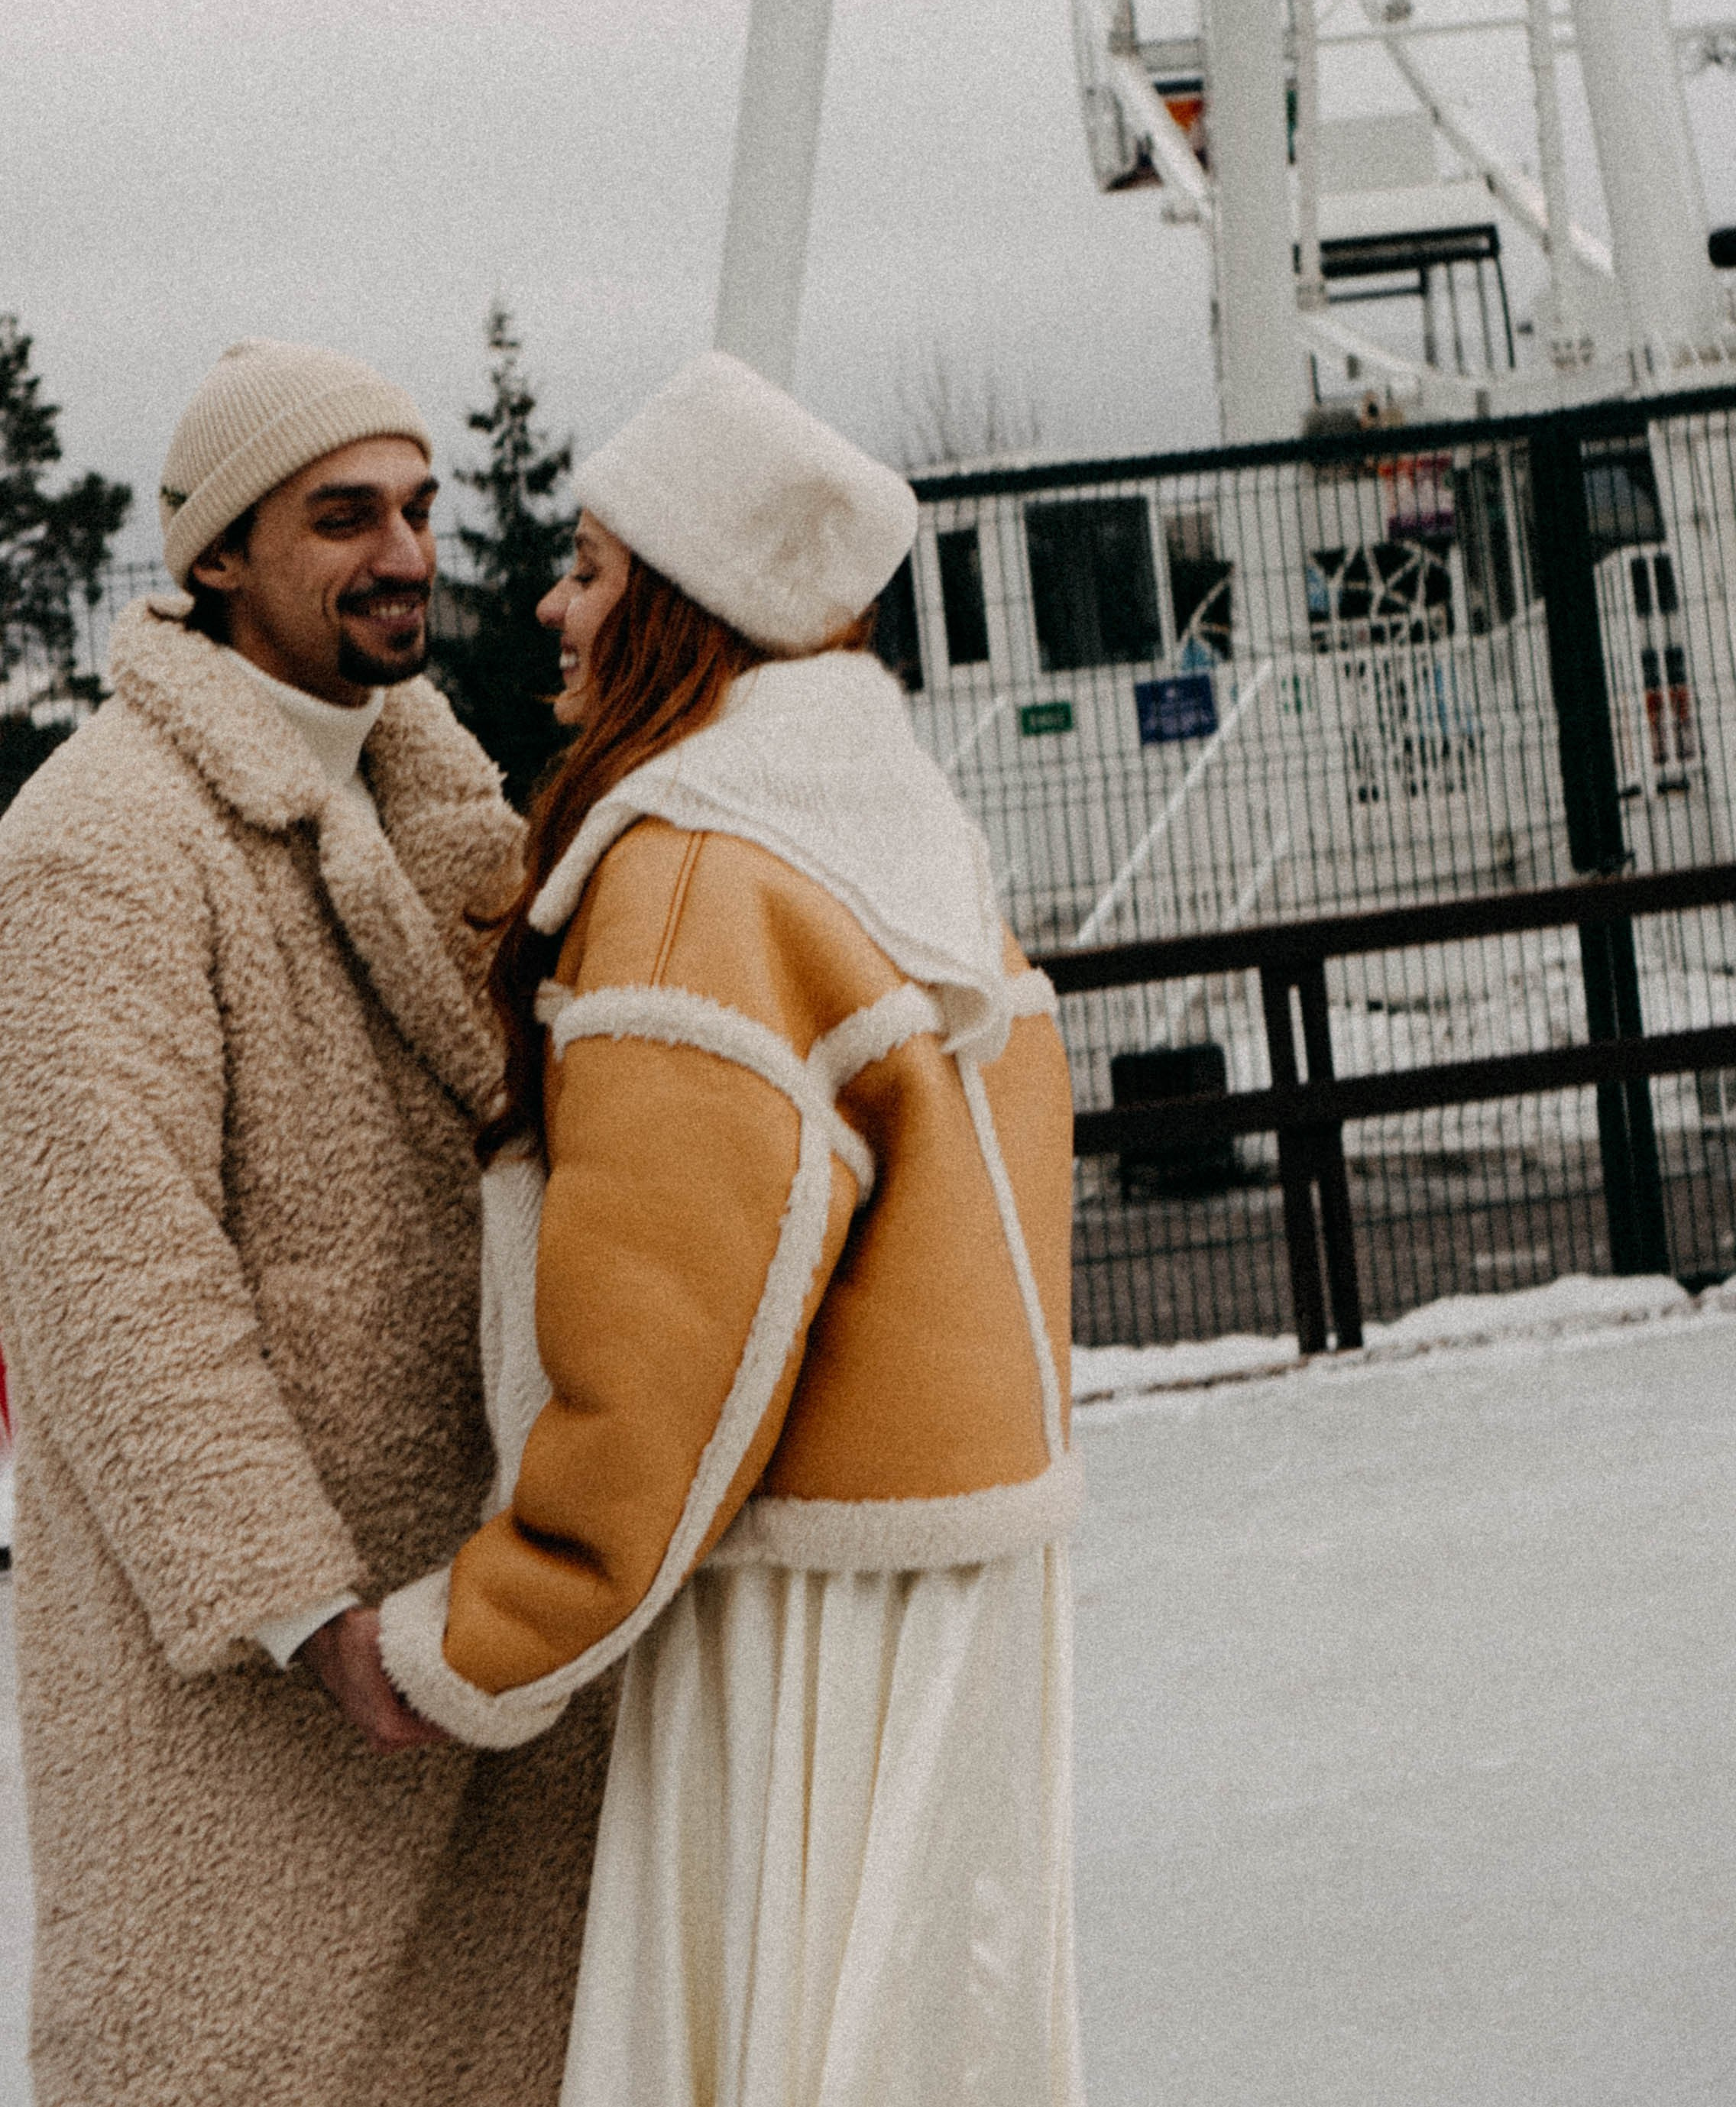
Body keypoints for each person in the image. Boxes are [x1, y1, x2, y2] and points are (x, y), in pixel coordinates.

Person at [379, 349, 1088, 2107]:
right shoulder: (892, 836)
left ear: (683, 606)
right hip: (956, 1585)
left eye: (592, 567)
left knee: (758, 2045)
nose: (550, 604)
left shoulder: (694, 874)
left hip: (793, 1637)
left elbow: (664, 1367)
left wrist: (473, 1641)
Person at [0, 338, 610, 2107]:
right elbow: (112, 1273)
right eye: (341, 516)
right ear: (215, 559)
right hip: (268, 1695)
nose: (404, 550)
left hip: (480, 1627)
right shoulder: (96, 840)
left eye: (419, 506)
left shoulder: (438, 810)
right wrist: (298, 1605)